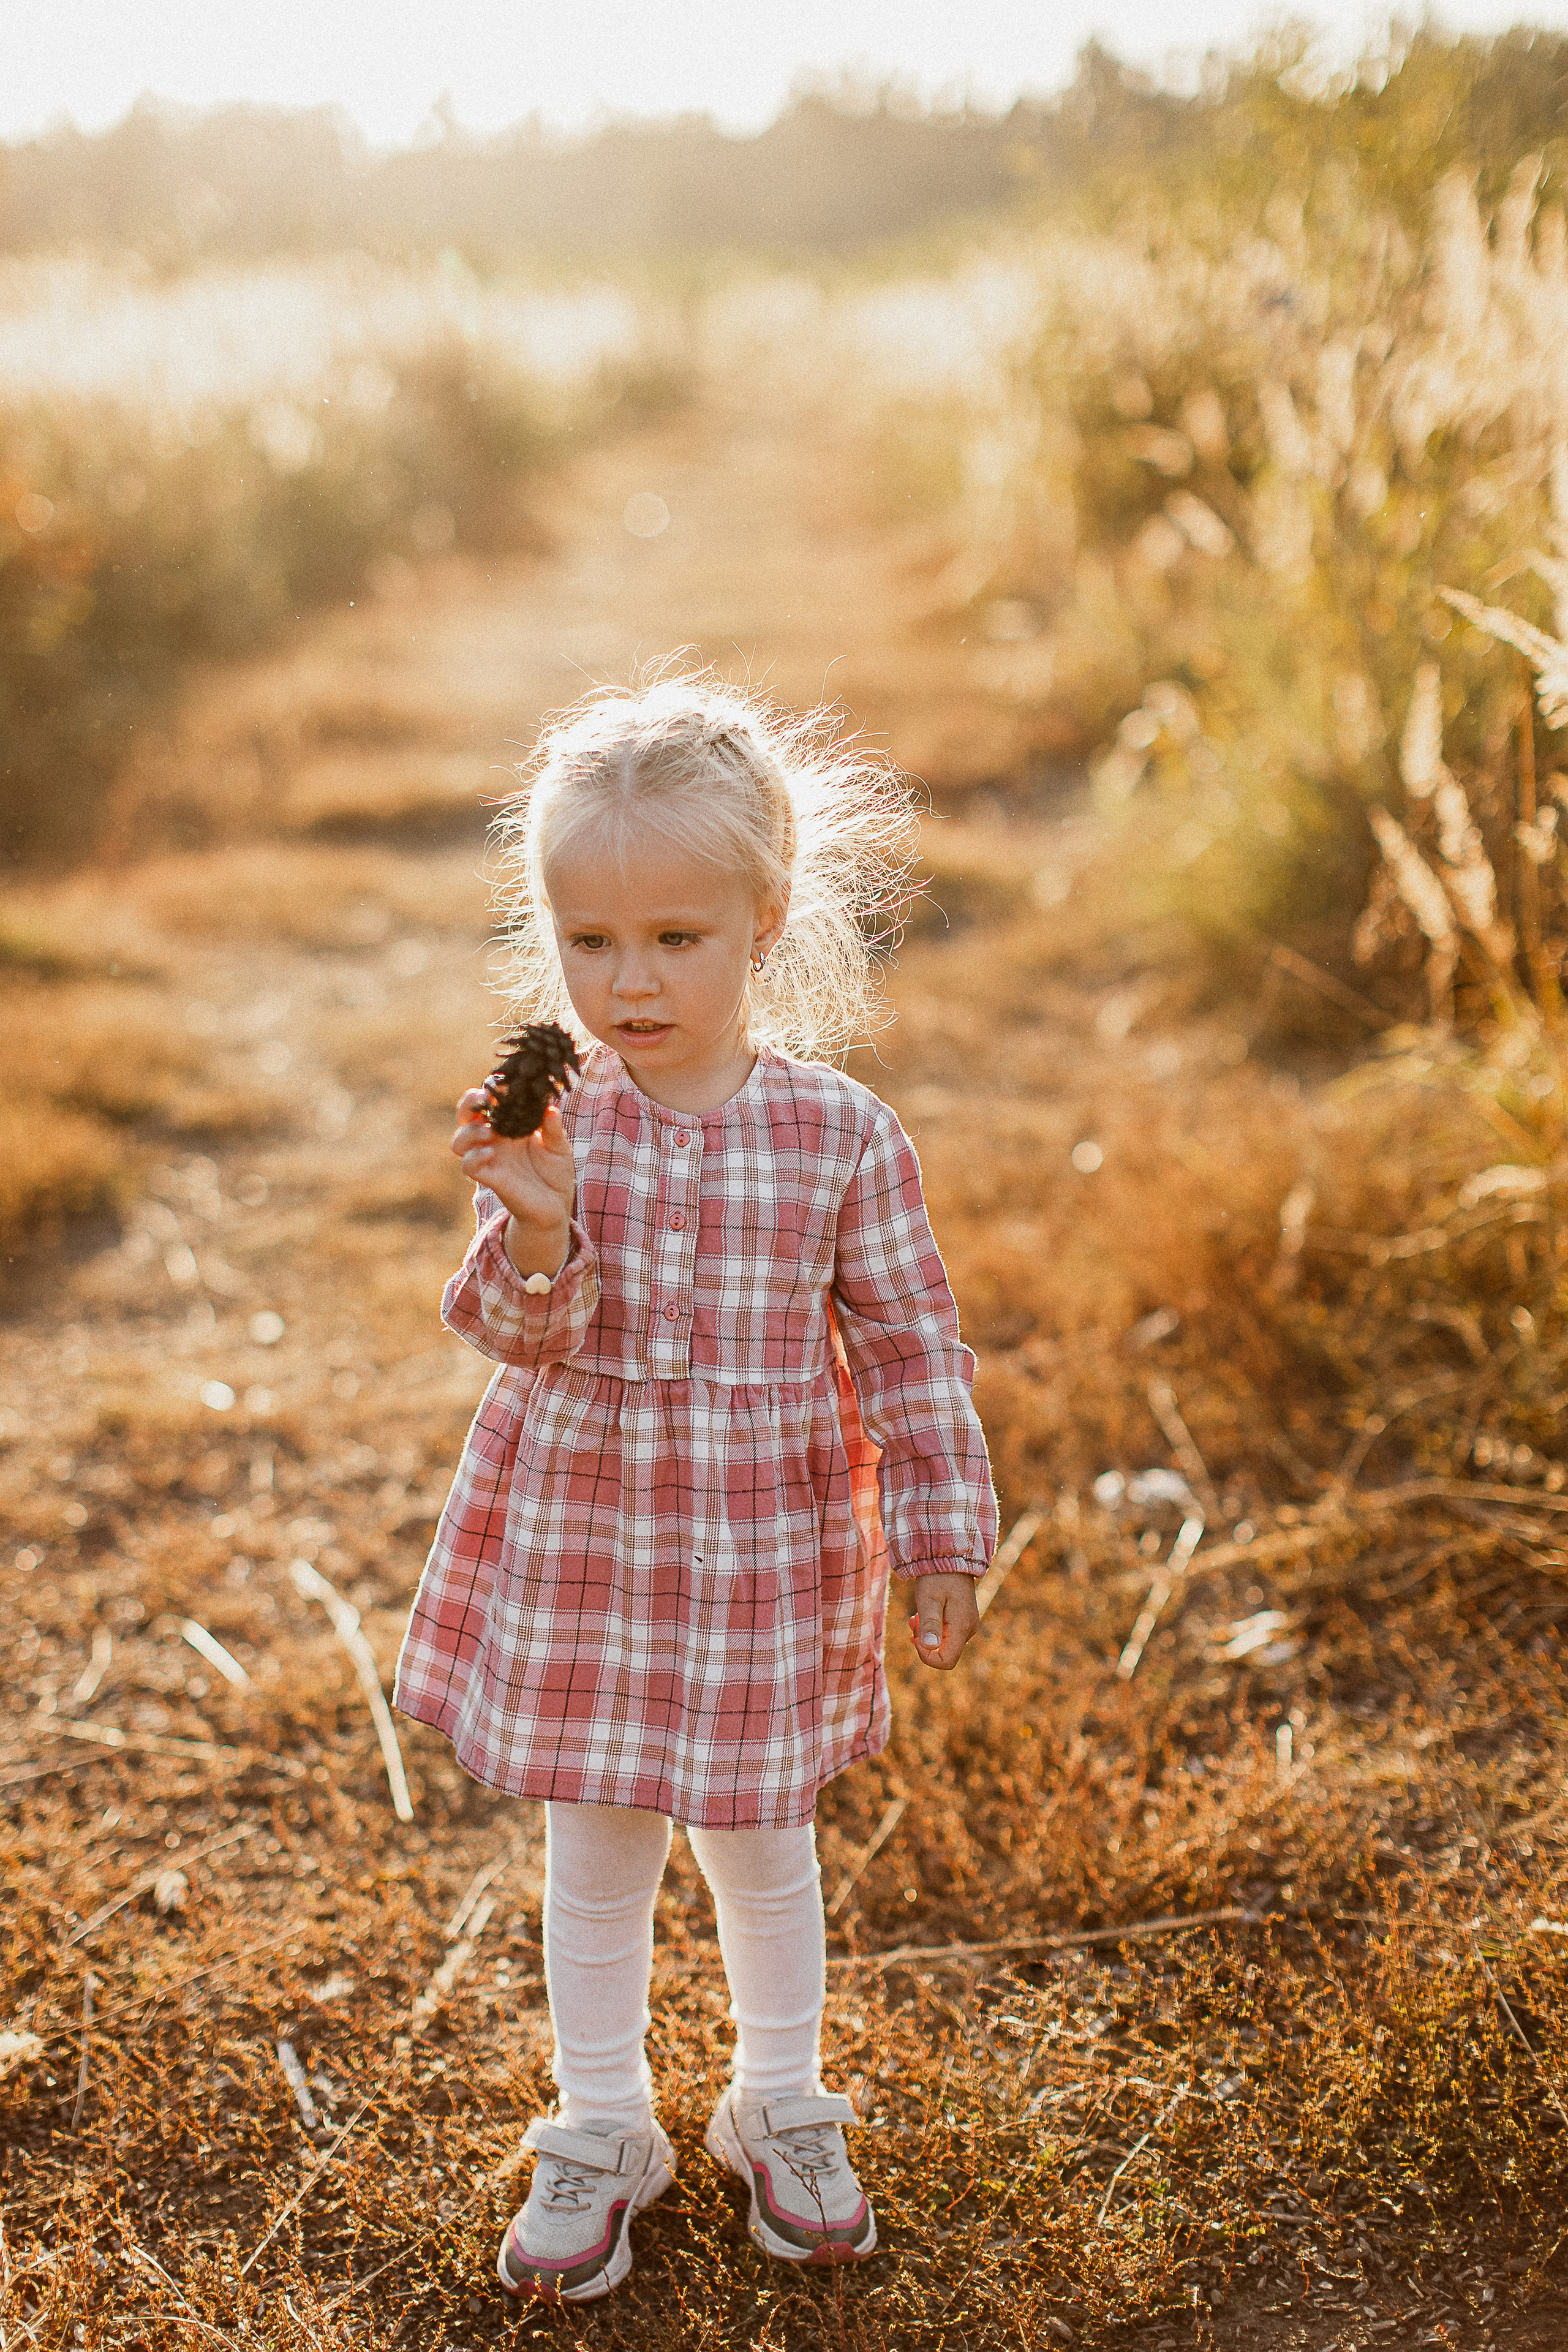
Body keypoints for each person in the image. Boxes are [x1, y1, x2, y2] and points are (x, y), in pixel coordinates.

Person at [394, 671, 997, 2304]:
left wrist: (941, 1534)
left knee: (759, 1839)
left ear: (763, 921)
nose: (628, 980)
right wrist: (531, 1221)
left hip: (764, 1563)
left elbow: (913, 1345)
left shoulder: (840, 1134)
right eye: (588, 942)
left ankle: (777, 2103)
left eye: (675, 938)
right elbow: (508, 1336)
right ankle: (603, 2124)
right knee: (593, 1847)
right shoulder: (556, 1117)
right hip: (590, 1544)